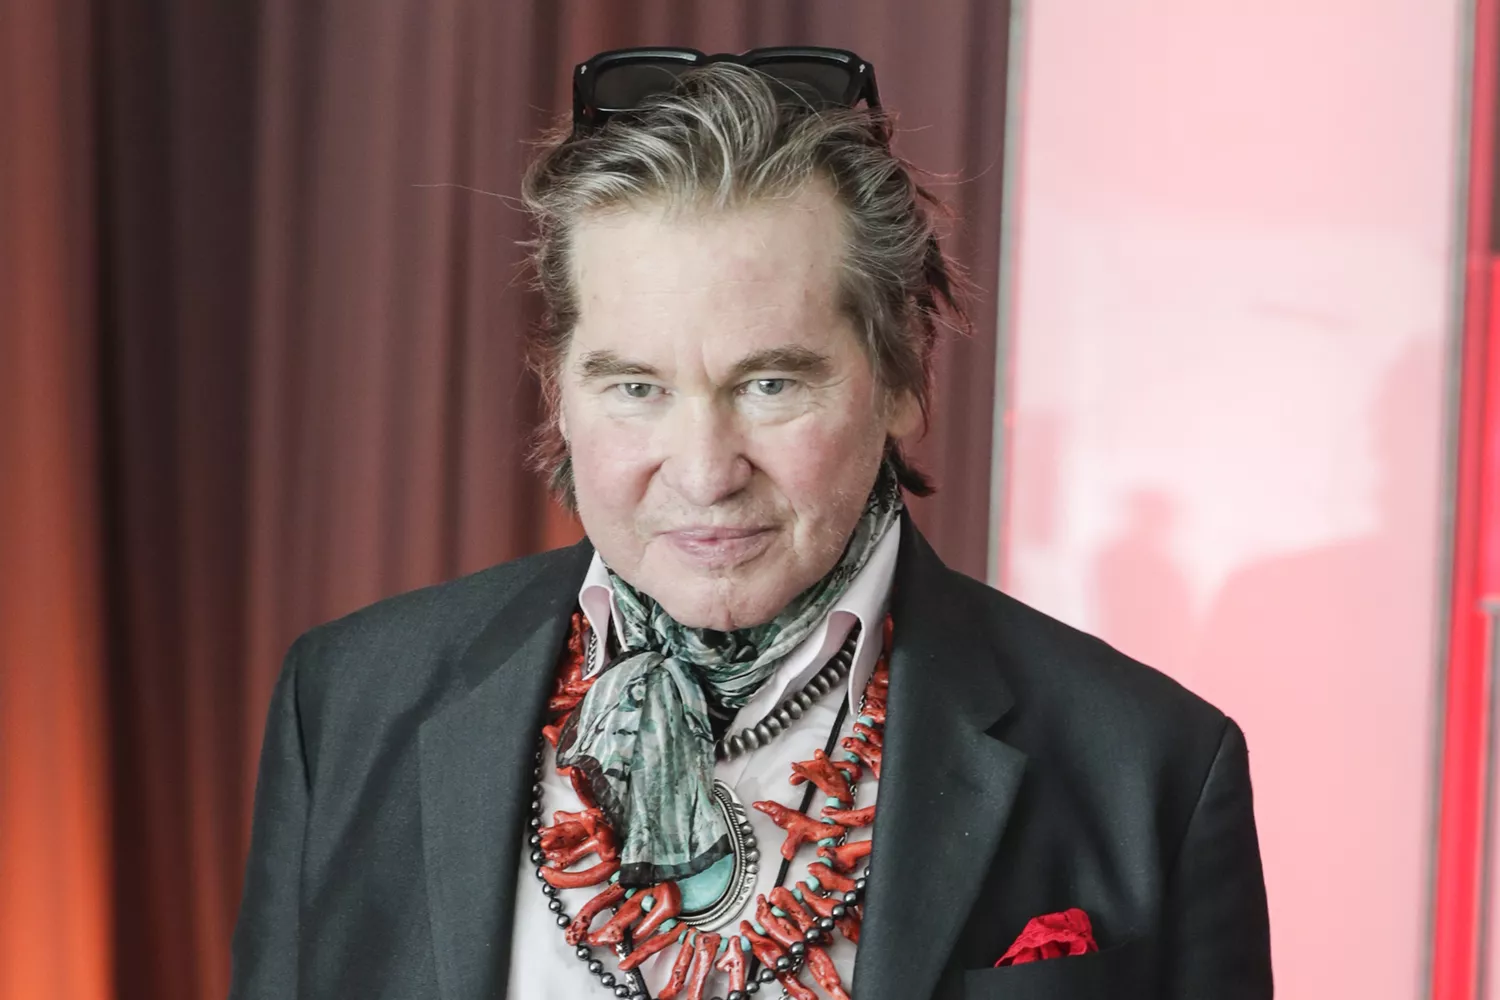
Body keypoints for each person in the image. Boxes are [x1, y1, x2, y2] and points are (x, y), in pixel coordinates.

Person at [228, 48, 1272, 1000]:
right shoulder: (348, 702)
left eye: (771, 384)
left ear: (902, 378)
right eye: (636, 387)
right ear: (559, 391)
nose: (704, 472)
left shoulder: (1152, 769)